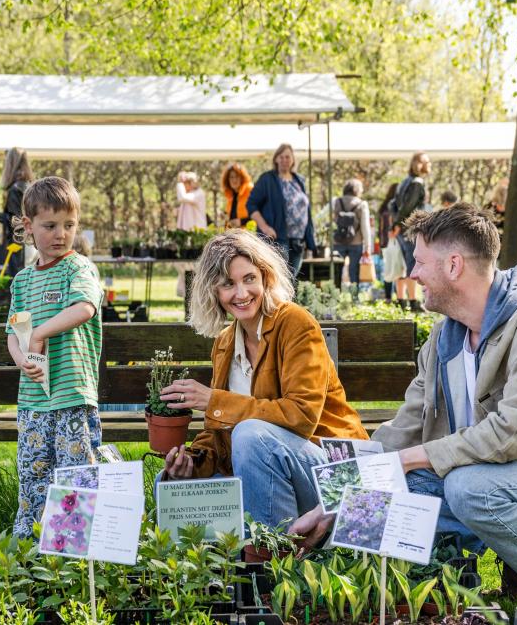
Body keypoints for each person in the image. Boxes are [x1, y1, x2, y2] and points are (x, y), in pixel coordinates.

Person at [289, 205, 517, 599]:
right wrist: (334, 505)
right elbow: (402, 432)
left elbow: (514, 435)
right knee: (405, 489)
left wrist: (407, 461)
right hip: (503, 476)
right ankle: (451, 589)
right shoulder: (446, 337)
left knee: (466, 488)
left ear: (454, 265)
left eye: (421, 262)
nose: (413, 274)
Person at [159, 230, 368, 527]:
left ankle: (273, 558)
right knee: (168, 484)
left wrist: (214, 401)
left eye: (249, 279)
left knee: (250, 435)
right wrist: (191, 463)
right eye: (228, 284)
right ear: (213, 291)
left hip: (335, 473)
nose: (241, 294)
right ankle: (217, 566)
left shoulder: (295, 323)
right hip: (272, 467)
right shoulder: (224, 343)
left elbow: (301, 416)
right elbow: (220, 431)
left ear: (265, 277)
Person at [6, 176, 104, 537]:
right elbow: (14, 334)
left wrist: (42, 333)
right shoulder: (23, 281)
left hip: (72, 395)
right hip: (33, 401)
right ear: (28, 226)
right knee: (33, 477)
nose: (61, 234)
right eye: (50, 226)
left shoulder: (78, 268)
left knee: (76, 477)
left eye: (69, 225)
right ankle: (29, 549)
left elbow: (84, 308)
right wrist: (21, 359)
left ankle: (74, 553)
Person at [247, 143, 317, 280]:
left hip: (298, 240)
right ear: (276, 159)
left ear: (292, 160)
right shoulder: (267, 179)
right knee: (280, 279)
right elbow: (251, 205)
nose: (285, 160)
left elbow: (306, 210)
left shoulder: (299, 180)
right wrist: (265, 227)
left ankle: (286, 303)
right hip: (278, 238)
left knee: (291, 280)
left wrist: (310, 240)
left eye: (288, 157)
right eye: (282, 157)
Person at [390, 152, 432, 303]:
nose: (430, 164)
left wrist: (395, 224)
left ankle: (402, 299)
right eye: (427, 162)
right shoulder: (416, 183)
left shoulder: (405, 182)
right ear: (419, 164)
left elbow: (393, 205)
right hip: (409, 228)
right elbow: (408, 207)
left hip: (402, 228)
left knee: (402, 262)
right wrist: (397, 224)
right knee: (412, 262)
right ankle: (413, 301)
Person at [0, 147, 34, 277]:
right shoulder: (29, 185)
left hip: (18, 245)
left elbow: (15, 221)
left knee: (19, 285)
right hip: (31, 242)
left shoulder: (15, 190)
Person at [330, 178, 372, 289]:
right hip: (356, 242)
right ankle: (354, 296)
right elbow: (365, 227)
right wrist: (367, 246)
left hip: (338, 241)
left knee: (337, 270)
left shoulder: (336, 202)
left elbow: (329, 221)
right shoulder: (362, 204)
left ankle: (336, 295)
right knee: (354, 270)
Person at [377, 182, 402, 300]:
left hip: (385, 243)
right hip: (394, 241)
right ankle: (398, 296)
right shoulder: (394, 206)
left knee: (388, 269)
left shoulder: (383, 207)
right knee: (397, 267)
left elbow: (380, 228)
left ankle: (388, 297)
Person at [221, 163, 254, 228]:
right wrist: (224, 215)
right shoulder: (230, 195)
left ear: (242, 178)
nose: (234, 180)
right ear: (227, 180)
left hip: (248, 235)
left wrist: (241, 221)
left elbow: (260, 214)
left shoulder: (250, 190)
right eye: (231, 177)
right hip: (233, 234)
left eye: (237, 176)